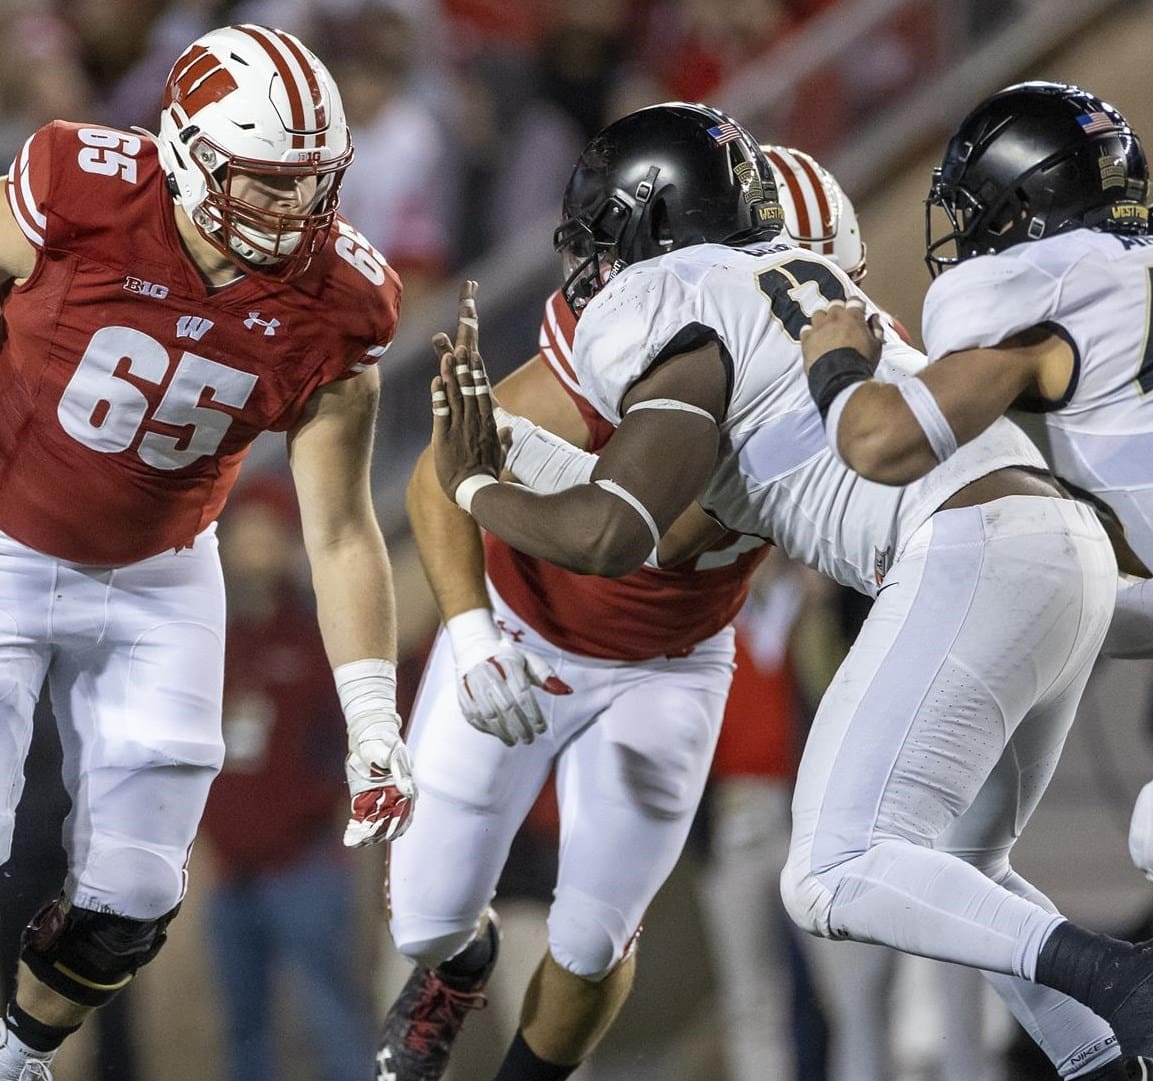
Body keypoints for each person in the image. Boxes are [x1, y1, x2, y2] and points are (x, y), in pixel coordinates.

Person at [427, 100, 1150, 1079]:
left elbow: (614, 531)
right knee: (962, 874)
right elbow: (678, 514)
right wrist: (511, 453)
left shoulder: (666, 302)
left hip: (968, 548)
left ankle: (1121, 978)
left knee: (831, 871)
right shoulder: (793, 287)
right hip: (1055, 541)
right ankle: (1106, 1061)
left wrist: (475, 480)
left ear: (638, 227)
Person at [0, 23, 409, 1081]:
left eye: (314, 185)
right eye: (271, 184)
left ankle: (22, 1048)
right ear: (188, 153)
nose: (299, 212)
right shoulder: (84, 190)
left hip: (159, 575)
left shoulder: (340, 306)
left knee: (137, 891)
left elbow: (339, 526)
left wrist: (371, 715)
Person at [376, 143, 849, 1081]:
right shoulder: (633, 341)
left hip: (672, 660)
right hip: (524, 624)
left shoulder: (834, 380)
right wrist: (470, 634)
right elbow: (443, 483)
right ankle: (462, 964)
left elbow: (653, 535)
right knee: (425, 919)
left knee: (592, 937)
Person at [794, 82, 1153, 893]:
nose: (970, 232)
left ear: (1019, 200)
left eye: (979, 208)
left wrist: (838, 362)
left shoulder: (1032, 287)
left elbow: (880, 444)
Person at [203, 480, 373, 1081]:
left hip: (306, 866)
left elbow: (355, 737)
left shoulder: (318, 632)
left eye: (264, 536)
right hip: (229, 874)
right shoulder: (209, 641)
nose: (251, 549)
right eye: (241, 536)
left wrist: (313, 808)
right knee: (243, 1029)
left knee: (333, 1017)